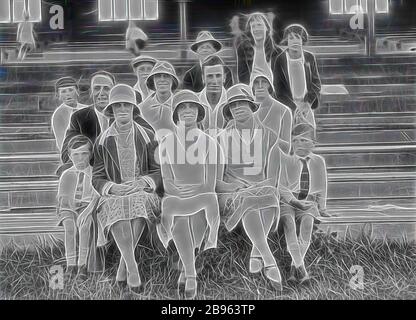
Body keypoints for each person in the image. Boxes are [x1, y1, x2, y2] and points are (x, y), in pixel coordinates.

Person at [92, 84, 161, 294]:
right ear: (111, 110)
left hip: (142, 190)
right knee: (117, 204)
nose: (122, 109)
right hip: (115, 193)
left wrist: (143, 182)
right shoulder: (102, 141)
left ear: (133, 108)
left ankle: (125, 266)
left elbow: (159, 171)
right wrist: (112, 188)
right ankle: (132, 268)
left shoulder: (148, 135)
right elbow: (97, 177)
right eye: (118, 105)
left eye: (127, 105)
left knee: (138, 201)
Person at [216, 84, 282, 290]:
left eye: (241, 103)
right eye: (233, 105)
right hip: (232, 195)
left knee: (268, 195)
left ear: (252, 105)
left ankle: (256, 252)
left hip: (262, 190)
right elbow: (216, 183)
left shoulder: (270, 136)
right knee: (249, 200)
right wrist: (233, 185)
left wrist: (254, 187)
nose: (237, 108)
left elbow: (272, 180)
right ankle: (268, 259)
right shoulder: (220, 139)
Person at [157, 90, 220, 299]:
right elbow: (166, 179)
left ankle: (187, 271)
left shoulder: (210, 143)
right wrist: (176, 190)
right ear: (175, 114)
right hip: (176, 196)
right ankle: (191, 274)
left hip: (202, 195)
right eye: (182, 107)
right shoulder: (166, 143)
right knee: (179, 219)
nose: (187, 111)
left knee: (197, 211)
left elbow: (210, 183)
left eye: (192, 106)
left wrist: (195, 191)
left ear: (199, 111)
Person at [279, 123, 330, 284]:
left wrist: (322, 207)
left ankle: (295, 267)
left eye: (303, 140)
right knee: (289, 224)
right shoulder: (286, 160)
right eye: (295, 141)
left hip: (309, 200)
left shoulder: (318, 161)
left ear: (313, 144)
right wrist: (293, 201)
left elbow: (322, 185)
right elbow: (282, 186)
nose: (298, 144)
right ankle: (302, 269)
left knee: (307, 224)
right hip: (289, 200)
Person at [56, 135, 100, 280]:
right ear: (69, 156)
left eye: (84, 154)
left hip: (88, 206)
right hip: (69, 207)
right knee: (70, 228)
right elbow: (63, 198)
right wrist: (70, 212)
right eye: (75, 155)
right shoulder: (67, 175)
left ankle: (82, 265)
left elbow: (96, 197)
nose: (80, 159)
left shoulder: (95, 174)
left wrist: (86, 212)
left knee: (85, 226)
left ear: (91, 154)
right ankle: (70, 265)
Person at [60, 71, 116, 168]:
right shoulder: (79, 117)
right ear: (90, 92)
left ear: (114, 91)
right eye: (97, 88)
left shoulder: (125, 114)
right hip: (91, 170)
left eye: (106, 88)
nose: (101, 93)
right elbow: (66, 154)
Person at [273, 24, 321, 128]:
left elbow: (316, 84)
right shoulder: (280, 60)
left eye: (297, 37)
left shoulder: (310, 58)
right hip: (287, 107)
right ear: (287, 41)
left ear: (302, 40)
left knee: (308, 136)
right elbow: (278, 89)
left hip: (306, 106)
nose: (294, 41)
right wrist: (293, 108)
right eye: (291, 38)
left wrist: (307, 103)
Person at [250, 70, 292, 154]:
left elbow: (286, 148)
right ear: (252, 85)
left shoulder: (283, 110)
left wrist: (267, 136)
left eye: (264, 82)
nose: (260, 86)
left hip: (274, 160)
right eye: (256, 82)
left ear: (270, 84)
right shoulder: (246, 109)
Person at [236, 12, 282, 86]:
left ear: (266, 28)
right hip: (252, 91)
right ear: (250, 30)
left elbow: (280, 80)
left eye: (259, 25)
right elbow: (242, 77)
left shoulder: (277, 52)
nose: (256, 29)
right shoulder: (243, 49)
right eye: (253, 26)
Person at [140, 61, 180, 139]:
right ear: (153, 80)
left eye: (166, 76)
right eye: (158, 76)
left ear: (173, 80)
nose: (162, 79)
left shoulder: (181, 107)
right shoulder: (141, 108)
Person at [52, 77, 88, 152]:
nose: (68, 94)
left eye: (71, 90)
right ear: (58, 95)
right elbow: (61, 142)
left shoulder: (87, 109)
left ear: (77, 91)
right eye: (63, 91)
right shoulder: (58, 115)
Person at [198, 55, 229, 131]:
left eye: (218, 76)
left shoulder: (233, 102)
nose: (214, 81)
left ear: (224, 77)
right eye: (210, 76)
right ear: (203, 78)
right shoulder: (194, 102)